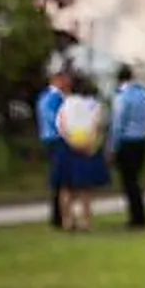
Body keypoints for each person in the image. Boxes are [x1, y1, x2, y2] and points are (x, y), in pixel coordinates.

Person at [57, 76, 112, 232]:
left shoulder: (65, 104)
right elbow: (98, 125)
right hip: (87, 144)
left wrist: (71, 141)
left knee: (66, 187)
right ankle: (85, 221)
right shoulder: (95, 105)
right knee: (85, 188)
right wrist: (91, 144)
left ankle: (67, 220)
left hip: (68, 145)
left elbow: (61, 125)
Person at [109, 66, 145, 229]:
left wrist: (112, 146)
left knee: (129, 181)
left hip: (127, 140)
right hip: (142, 140)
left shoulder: (121, 96)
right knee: (136, 178)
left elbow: (118, 123)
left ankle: (136, 217)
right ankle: (140, 213)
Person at [37, 69, 72, 230]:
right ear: (58, 80)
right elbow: (58, 119)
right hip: (57, 139)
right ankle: (60, 216)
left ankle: (59, 215)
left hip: (49, 138)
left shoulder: (43, 97)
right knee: (61, 179)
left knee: (59, 178)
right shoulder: (55, 98)